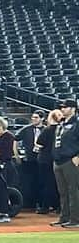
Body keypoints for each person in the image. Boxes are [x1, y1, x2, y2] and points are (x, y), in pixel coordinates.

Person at [51, 95, 79, 227]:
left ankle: (75, 219)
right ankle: (64, 217)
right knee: (62, 192)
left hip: (70, 160)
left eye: (65, 107)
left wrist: (77, 156)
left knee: (73, 190)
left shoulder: (77, 123)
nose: (62, 109)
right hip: (58, 160)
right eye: (62, 107)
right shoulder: (61, 123)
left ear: (73, 109)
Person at [15, 110, 44, 211]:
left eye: (36, 117)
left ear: (42, 119)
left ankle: (41, 204)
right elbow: (15, 139)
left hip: (43, 160)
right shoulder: (26, 129)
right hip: (30, 160)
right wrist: (16, 155)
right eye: (33, 117)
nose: (33, 119)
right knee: (30, 183)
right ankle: (30, 204)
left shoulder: (45, 130)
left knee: (42, 182)